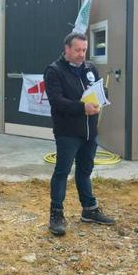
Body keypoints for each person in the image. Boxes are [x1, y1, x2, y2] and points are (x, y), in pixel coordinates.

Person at [44, 32, 116, 236]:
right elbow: (57, 101)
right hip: (68, 132)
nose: (81, 54)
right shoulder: (54, 70)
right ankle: (56, 214)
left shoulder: (90, 68)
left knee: (85, 171)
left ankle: (89, 209)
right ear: (66, 48)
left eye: (84, 50)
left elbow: (102, 90)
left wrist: (102, 98)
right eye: (77, 50)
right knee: (62, 172)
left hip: (89, 132)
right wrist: (82, 107)